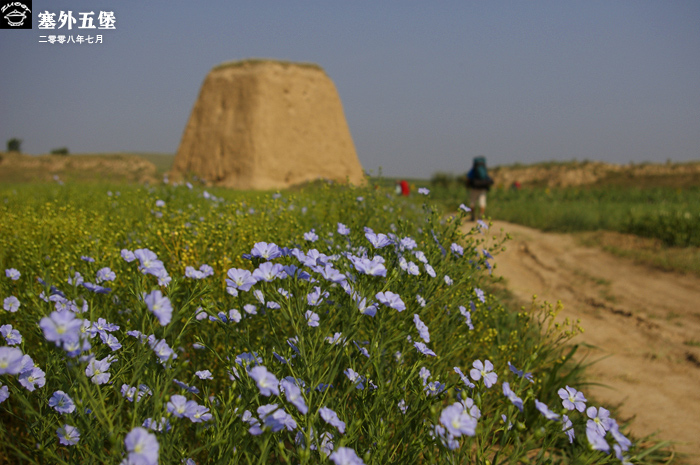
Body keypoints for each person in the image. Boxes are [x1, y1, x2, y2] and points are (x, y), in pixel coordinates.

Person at [465, 156, 494, 221]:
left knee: (472, 203)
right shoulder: (484, 170)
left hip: (474, 188)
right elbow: (487, 178)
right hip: (483, 189)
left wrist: (467, 186)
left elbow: (468, 179)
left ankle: (472, 216)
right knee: (482, 203)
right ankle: (481, 216)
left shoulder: (473, 171)